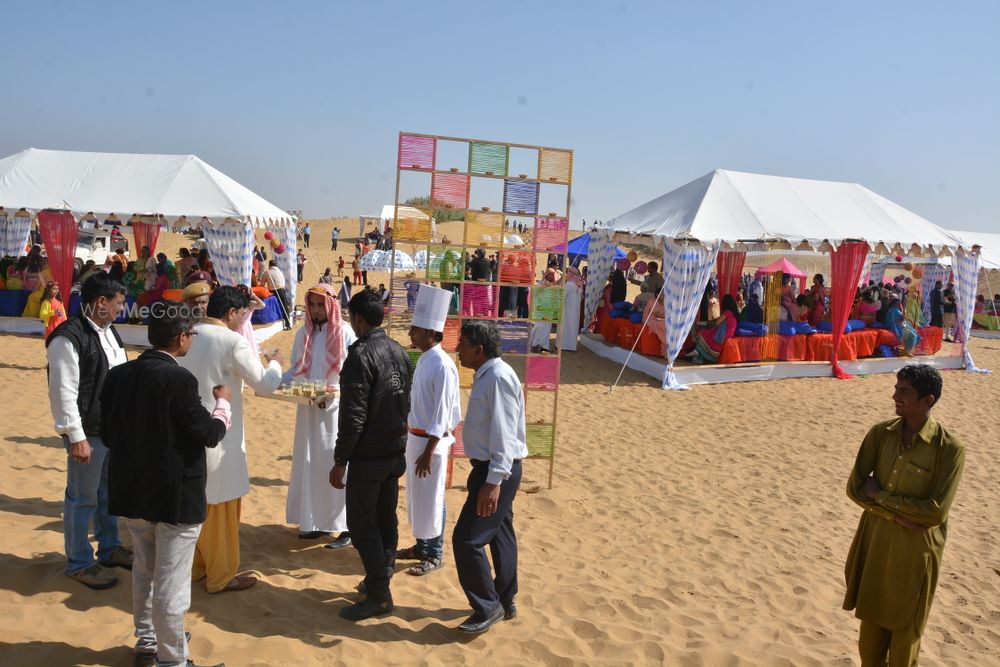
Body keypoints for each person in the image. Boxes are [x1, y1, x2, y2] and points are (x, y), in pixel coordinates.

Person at [101, 304, 232, 667]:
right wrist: (224, 405)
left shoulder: (119, 375)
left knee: (145, 571)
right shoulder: (178, 380)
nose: (191, 338)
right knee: (171, 584)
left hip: (134, 491)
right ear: (181, 338)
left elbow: (109, 433)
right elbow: (209, 433)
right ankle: (173, 659)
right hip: (173, 496)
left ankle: (147, 641)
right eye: (190, 333)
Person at [843, 365, 965, 667]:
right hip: (875, 548)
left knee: (903, 649)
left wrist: (881, 497)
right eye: (897, 388)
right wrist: (900, 516)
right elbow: (856, 488)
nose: (894, 395)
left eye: (904, 391)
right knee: (869, 647)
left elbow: (935, 511)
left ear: (928, 400)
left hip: (915, 559)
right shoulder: (879, 434)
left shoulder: (950, 449)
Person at [178, 286, 284, 594]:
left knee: (199, 503)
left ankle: (199, 567)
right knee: (222, 507)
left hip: (189, 431)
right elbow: (264, 385)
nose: (243, 320)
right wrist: (275, 362)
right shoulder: (231, 340)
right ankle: (221, 575)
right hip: (220, 434)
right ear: (230, 313)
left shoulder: (188, 333)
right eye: (242, 314)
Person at [46, 273, 133, 589]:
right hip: (88, 430)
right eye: (118, 303)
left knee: (109, 493)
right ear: (101, 302)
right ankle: (80, 562)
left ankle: (109, 548)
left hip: (112, 428)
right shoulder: (67, 338)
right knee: (82, 498)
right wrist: (75, 435)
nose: (121, 309)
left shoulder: (110, 331)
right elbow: (63, 391)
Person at [330, 289, 411, 621]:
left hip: (371, 455)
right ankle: (381, 576)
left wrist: (340, 460)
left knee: (362, 524)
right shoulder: (398, 350)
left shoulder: (360, 356)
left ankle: (380, 594)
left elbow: (353, 417)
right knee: (384, 518)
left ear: (358, 319)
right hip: (393, 449)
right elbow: (405, 401)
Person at [452, 321, 528, 634]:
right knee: (500, 534)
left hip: (496, 470)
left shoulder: (497, 377)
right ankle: (505, 598)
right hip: (489, 468)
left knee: (467, 540)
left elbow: (505, 433)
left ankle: (487, 605)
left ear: (479, 349)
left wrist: (493, 481)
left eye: (463, 344)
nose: (458, 350)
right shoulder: (488, 375)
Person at [283, 284, 357, 546]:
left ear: (331, 305)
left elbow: (353, 375)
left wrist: (331, 392)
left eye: (319, 305)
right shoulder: (304, 333)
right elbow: (294, 369)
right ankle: (318, 522)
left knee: (335, 465)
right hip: (308, 410)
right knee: (311, 463)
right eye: (311, 305)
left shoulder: (346, 333)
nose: (315, 310)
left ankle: (346, 527)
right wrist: (276, 381)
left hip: (336, 412)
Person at [398, 286, 461, 576]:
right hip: (416, 438)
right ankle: (422, 544)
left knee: (433, 498)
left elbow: (442, 413)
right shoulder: (424, 358)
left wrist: (428, 451)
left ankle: (434, 553)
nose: (411, 334)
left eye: (416, 330)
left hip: (430, 445)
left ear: (431, 333)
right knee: (418, 497)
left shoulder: (444, 365)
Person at [690, 294, 739, 364]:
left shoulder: (727, 312)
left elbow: (717, 323)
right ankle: (699, 355)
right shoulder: (735, 313)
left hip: (723, 335)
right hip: (729, 334)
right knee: (708, 333)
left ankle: (698, 355)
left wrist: (710, 323)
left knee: (703, 333)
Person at [263, 260, 292, 330]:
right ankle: (288, 324)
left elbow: (262, 283)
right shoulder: (280, 272)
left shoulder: (267, 272)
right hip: (282, 290)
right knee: (284, 306)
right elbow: (283, 282)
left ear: (269, 265)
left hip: (272, 291)